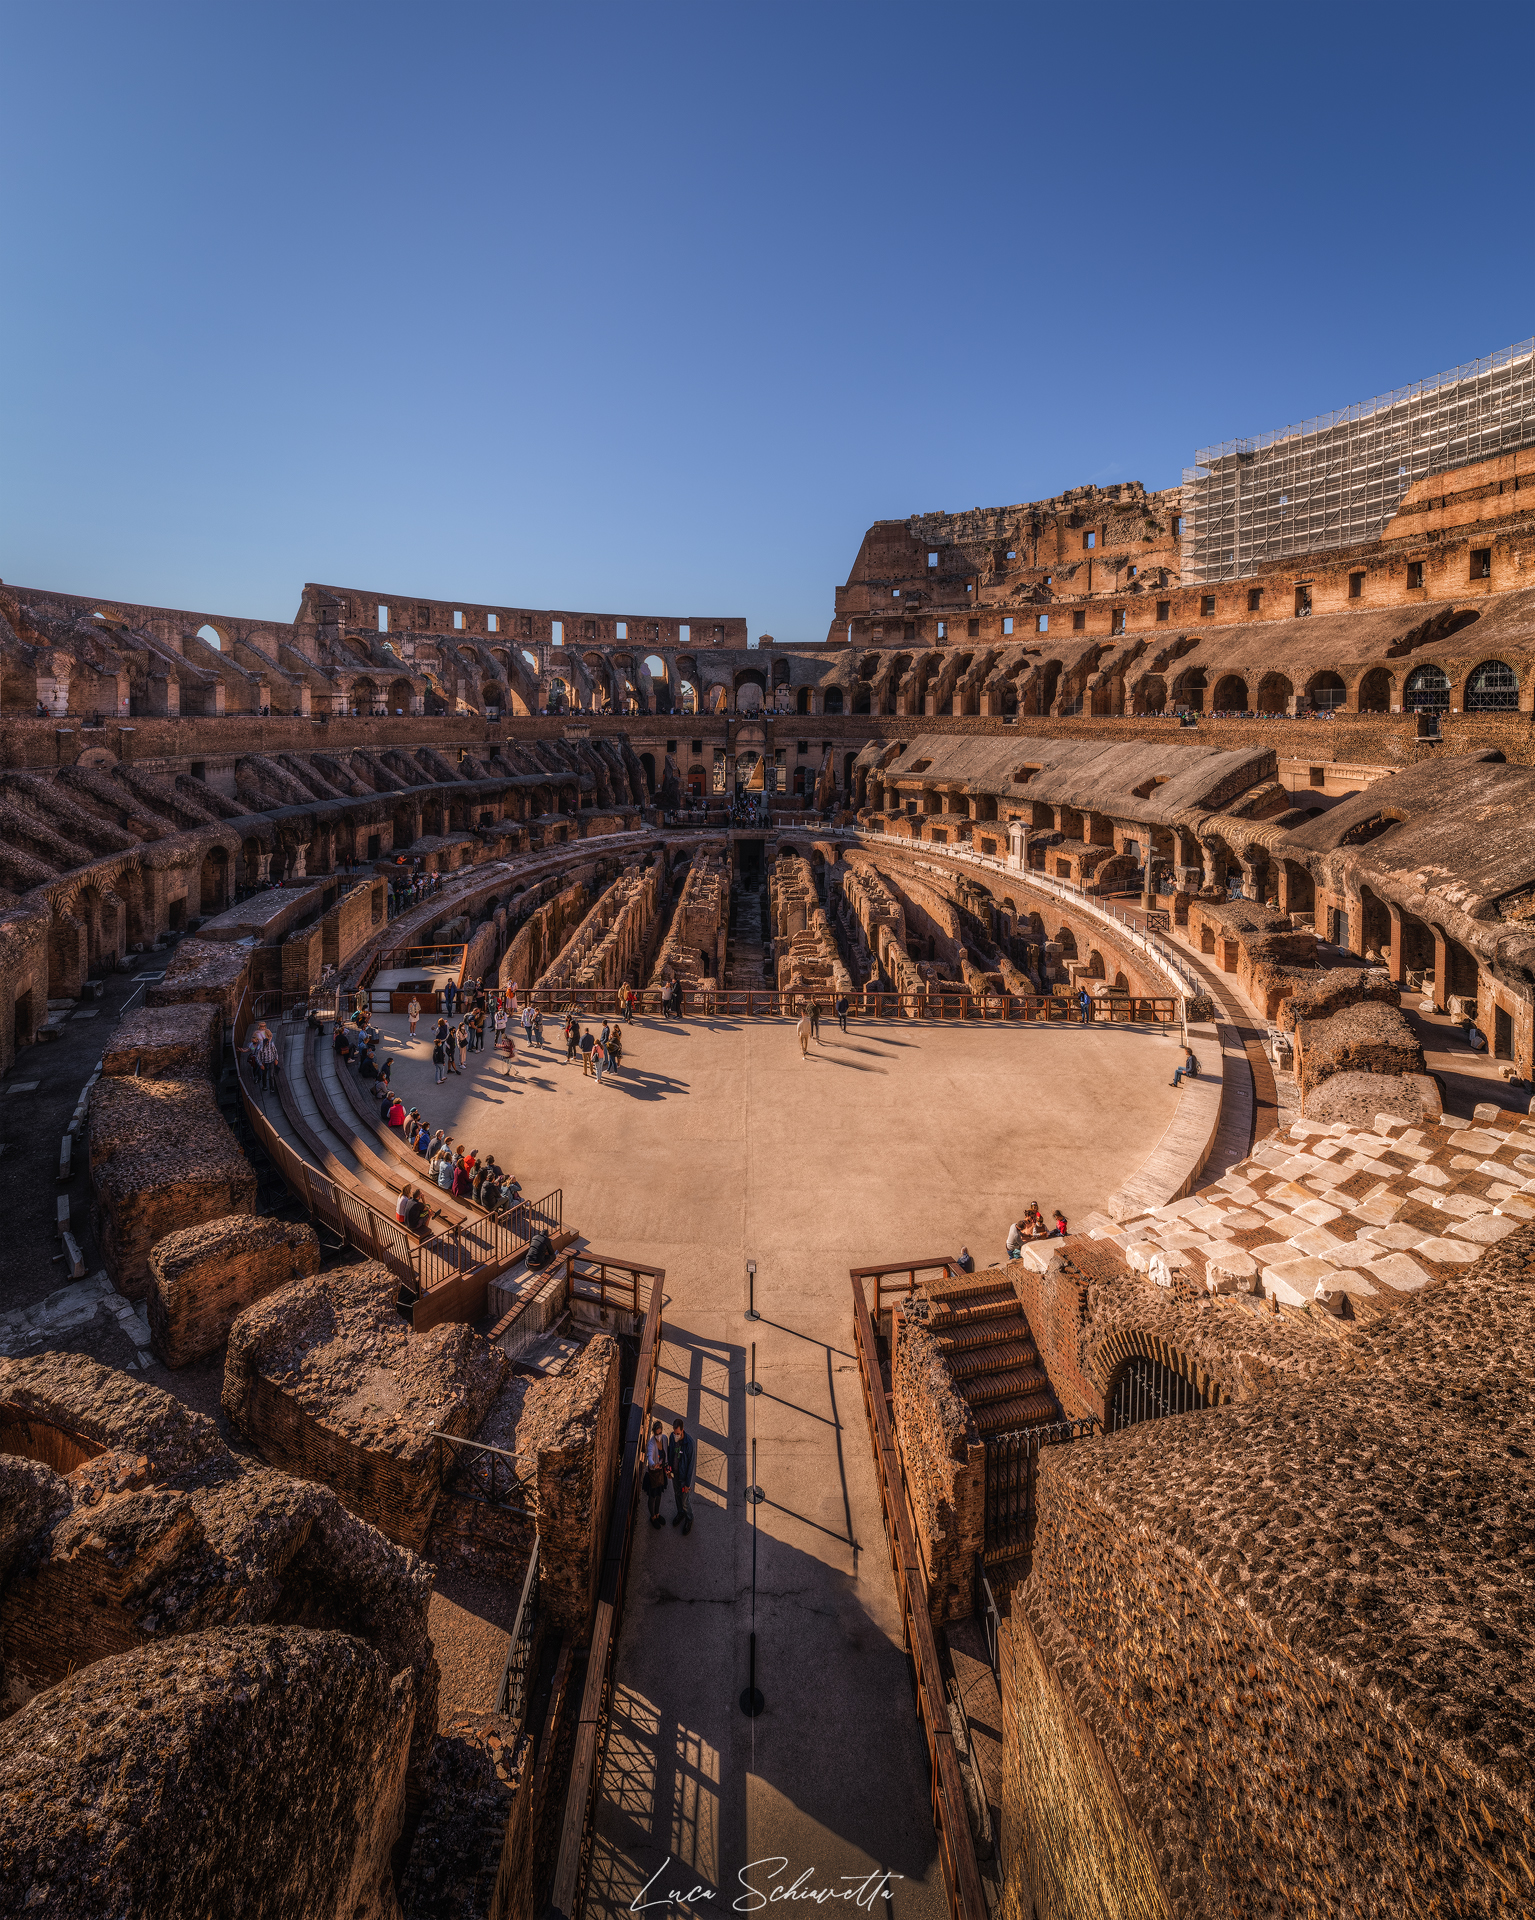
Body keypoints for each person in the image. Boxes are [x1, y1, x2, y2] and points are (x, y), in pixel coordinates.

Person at [667, 1417, 695, 1534]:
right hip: (675, 1473)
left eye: (678, 1433)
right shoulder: (672, 1438)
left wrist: (688, 1484)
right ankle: (680, 1513)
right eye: (674, 1433)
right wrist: (668, 1468)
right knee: (677, 1494)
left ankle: (689, 1518)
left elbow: (690, 1465)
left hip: (684, 1477)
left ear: (682, 1430)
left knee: (685, 1500)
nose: (676, 1435)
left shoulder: (689, 1443)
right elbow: (670, 1453)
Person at [644, 1420, 668, 1528]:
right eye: (657, 1434)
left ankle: (657, 1514)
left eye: (660, 1433)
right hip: (654, 1474)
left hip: (661, 1472)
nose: (659, 1435)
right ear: (654, 1433)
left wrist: (666, 1466)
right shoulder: (651, 1444)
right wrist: (654, 1464)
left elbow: (666, 1453)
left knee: (659, 1495)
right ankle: (652, 1517)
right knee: (652, 1497)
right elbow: (649, 1456)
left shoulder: (664, 1439)